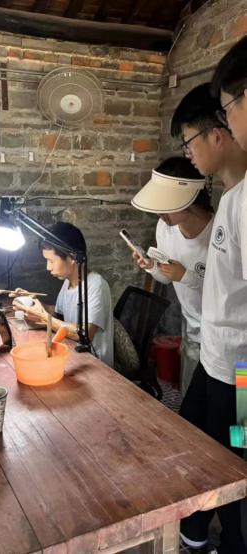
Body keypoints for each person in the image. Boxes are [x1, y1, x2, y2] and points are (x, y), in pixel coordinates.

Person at [171, 72, 247, 553]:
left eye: (188, 141)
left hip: (241, 375)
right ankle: (193, 537)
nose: (189, 153)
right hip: (217, 363)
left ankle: (230, 542)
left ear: (216, 133)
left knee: (234, 465)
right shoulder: (230, 200)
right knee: (196, 451)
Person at [129, 156, 213, 395]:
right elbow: (166, 278)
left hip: (227, 336)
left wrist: (186, 276)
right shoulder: (166, 228)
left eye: (166, 205)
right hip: (192, 330)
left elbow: (231, 291)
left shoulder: (219, 232)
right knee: (191, 398)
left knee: (234, 403)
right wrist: (152, 266)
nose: (160, 213)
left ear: (189, 199)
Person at [13, 222, 114, 367]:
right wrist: (34, 303)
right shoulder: (68, 282)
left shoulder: (96, 285)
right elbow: (58, 315)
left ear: (72, 257)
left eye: (51, 261)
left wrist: (43, 317)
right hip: (72, 355)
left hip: (95, 365)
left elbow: (85, 334)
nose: (48, 267)